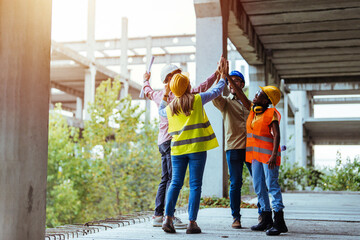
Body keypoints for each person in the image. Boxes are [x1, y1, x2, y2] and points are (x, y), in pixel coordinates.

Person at [142, 63, 219, 228]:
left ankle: (159, 215)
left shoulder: (163, 99)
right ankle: (170, 217)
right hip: (174, 142)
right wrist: (221, 76)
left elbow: (148, 92)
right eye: (177, 75)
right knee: (176, 181)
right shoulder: (189, 96)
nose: (182, 78)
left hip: (166, 142)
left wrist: (145, 81)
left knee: (168, 179)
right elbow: (208, 90)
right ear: (169, 79)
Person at [158, 61, 227, 234]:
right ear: (188, 85)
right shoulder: (197, 99)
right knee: (195, 185)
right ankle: (192, 223)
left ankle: (168, 219)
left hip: (178, 151)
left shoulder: (170, 107)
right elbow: (215, 91)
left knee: (175, 184)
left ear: (172, 89)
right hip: (197, 149)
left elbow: (160, 111)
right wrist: (223, 78)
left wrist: (166, 96)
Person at [212, 69, 254, 229]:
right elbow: (215, 94)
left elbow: (248, 105)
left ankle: (263, 214)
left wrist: (227, 75)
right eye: (230, 81)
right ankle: (236, 217)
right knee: (235, 183)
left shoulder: (250, 103)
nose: (232, 83)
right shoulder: (225, 103)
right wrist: (220, 76)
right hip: (234, 147)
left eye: (236, 80)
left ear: (242, 84)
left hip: (251, 148)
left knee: (258, 181)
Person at [245, 85, 288, 236]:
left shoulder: (271, 113)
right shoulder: (254, 112)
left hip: (269, 156)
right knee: (258, 186)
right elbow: (244, 99)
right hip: (256, 156)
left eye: (259, 93)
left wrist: (274, 155)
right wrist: (226, 77)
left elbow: (277, 135)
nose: (255, 95)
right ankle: (266, 218)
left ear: (266, 100)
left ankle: (279, 222)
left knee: (272, 185)